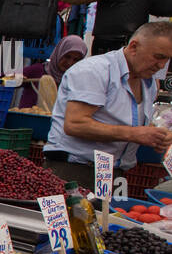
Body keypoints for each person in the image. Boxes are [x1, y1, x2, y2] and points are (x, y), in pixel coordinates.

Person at [44, 21, 172, 185]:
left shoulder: (149, 83)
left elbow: (124, 123)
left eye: (167, 59)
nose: (161, 65)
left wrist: (156, 136)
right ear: (134, 47)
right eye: (158, 57)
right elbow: (75, 124)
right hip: (75, 170)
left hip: (115, 175)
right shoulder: (94, 71)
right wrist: (135, 134)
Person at [19, 35, 87, 109]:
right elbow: (5, 80)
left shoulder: (77, 83)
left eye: (76, 60)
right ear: (59, 53)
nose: (70, 63)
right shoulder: (37, 71)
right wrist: (16, 79)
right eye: (67, 56)